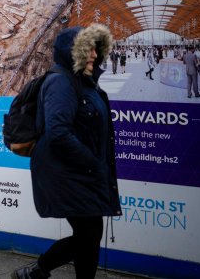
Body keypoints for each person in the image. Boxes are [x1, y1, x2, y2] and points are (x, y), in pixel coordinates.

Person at [13, 24, 121, 279]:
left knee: (90, 234)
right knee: (89, 233)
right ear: (73, 52)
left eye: (97, 49)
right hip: (67, 172)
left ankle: (36, 272)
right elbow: (58, 132)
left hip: (80, 170)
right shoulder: (61, 82)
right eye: (88, 49)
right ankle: (36, 271)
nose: (94, 55)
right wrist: (93, 162)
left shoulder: (84, 83)